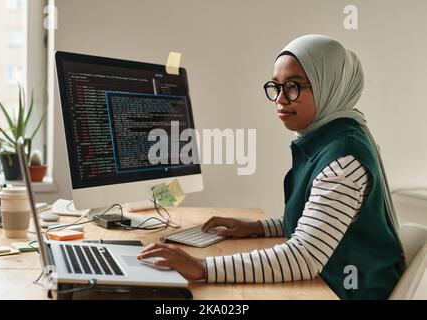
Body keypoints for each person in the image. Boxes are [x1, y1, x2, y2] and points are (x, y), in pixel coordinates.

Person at [137, 34, 405, 299]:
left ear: (328, 85)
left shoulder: (344, 160)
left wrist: (200, 267)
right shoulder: (330, 138)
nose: (280, 99)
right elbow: (317, 222)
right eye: (276, 86)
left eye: (294, 86)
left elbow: (305, 256)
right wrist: (257, 227)